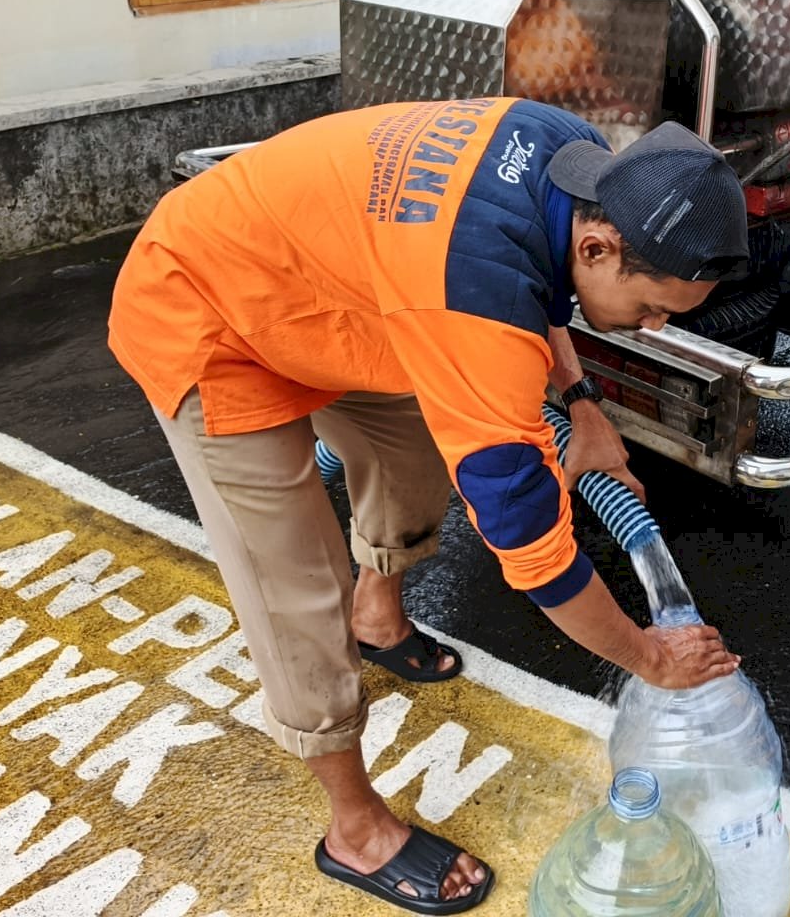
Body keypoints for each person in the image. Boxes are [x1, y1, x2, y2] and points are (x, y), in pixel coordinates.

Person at [107, 96, 751, 914]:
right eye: (653, 307)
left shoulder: (573, 155)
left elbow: (540, 283)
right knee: (293, 585)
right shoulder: (474, 305)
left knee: (410, 455)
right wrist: (649, 658)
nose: (653, 327)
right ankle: (353, 828)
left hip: (334, 293)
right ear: (600, 242)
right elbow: (535, 553)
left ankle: (377, 615)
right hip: (207, 313)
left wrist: (585, 406)